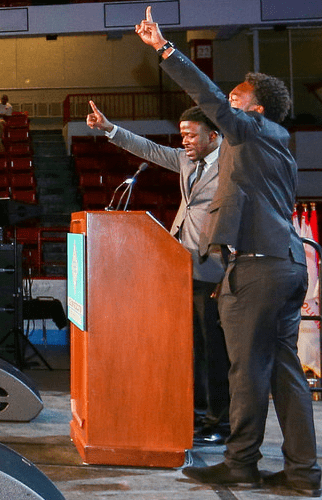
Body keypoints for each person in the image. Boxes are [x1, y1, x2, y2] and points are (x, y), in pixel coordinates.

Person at [135, 6, 322, 497]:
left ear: (255, 110)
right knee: (284, 374)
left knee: (245, 374)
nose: (228, 103)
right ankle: (303, 473)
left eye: (238, 98)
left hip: (259, 268)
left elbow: (209, 97)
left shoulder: (255, 131)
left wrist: (164, 49)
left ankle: (241, 462)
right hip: (284, 265)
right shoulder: (269, 142)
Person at [86, 102, 230, 443]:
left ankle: (220, 423)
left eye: (191, 135)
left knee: (215, 351)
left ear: (214, 135)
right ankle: (194, 413)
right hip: (181, 265)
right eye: (182, 135)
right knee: (188, 349)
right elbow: (149, 149)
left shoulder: (233, 162)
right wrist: (110, 129)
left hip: (215, 267)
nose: (185, 141)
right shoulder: (184, 160)